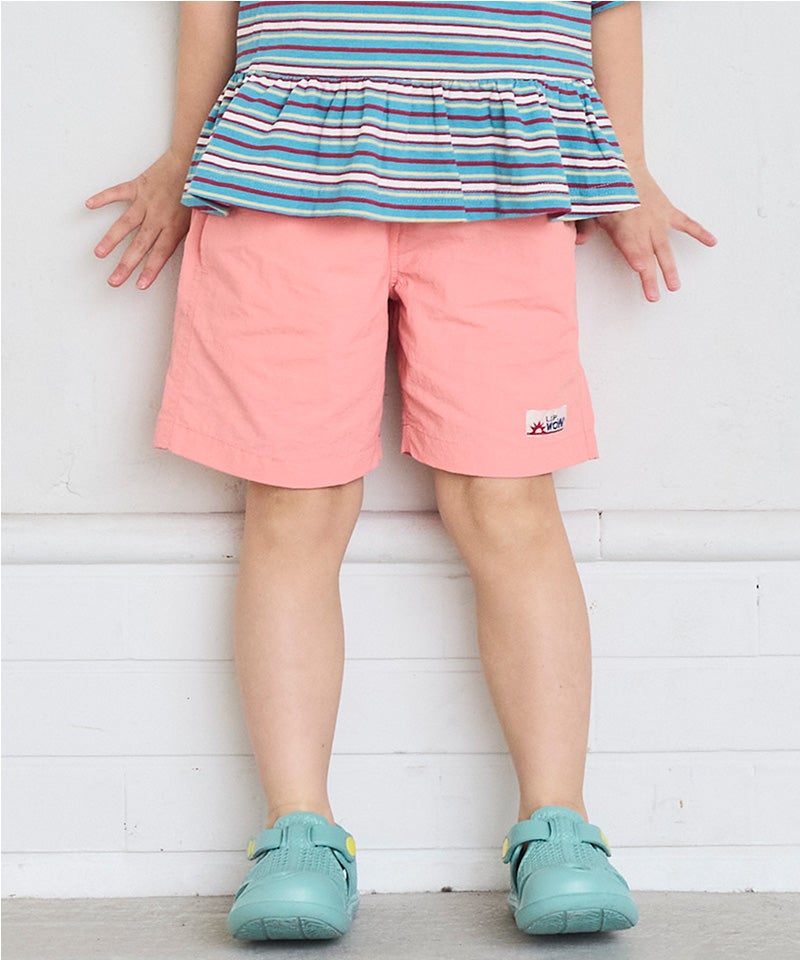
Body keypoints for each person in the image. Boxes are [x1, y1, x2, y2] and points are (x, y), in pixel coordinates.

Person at [86, 0, 716, 942]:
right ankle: (298, 834)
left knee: (508, 500)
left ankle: (559, 828)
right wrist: (185, 155)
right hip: (287, 158)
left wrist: (623, 168)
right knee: (295, 499)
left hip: (505, 166)